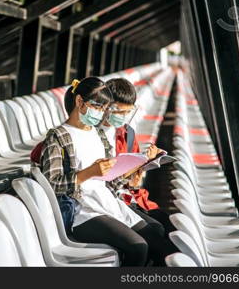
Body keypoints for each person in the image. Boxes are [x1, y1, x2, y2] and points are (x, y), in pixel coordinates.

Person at [39, 77, 177, 266]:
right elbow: (51, 183)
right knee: (138, 247)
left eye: (104, 109)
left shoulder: (98, 135)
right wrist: (88, 172)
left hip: (106, 201)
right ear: (80, 101)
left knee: (158, 240)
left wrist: (137, 167)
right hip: (83, 211)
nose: (101, 113)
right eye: (98, 107)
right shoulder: (58, 136)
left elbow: (109, 180)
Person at [102, 78, 176, 236]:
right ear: (105, 106)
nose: (123, 117)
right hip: (113, 200)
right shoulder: (94, 135)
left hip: (131, 195)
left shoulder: (128, 134)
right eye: (118, 112)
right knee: (156, 231)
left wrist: (143, 166)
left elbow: (130, 179)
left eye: (127, 112)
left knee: (169, 224)